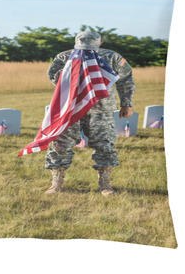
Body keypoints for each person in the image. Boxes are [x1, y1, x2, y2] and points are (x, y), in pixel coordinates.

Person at [45, 31, 136, 196]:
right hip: (71, 109)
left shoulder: (113, 57)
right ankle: (56, 184)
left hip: (101, 109)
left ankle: (105, 185)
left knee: (104, 145)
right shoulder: (64, 57)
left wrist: (126, 103)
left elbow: (126, 79)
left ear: (100, 44)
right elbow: (53, 76)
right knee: (60, 145)